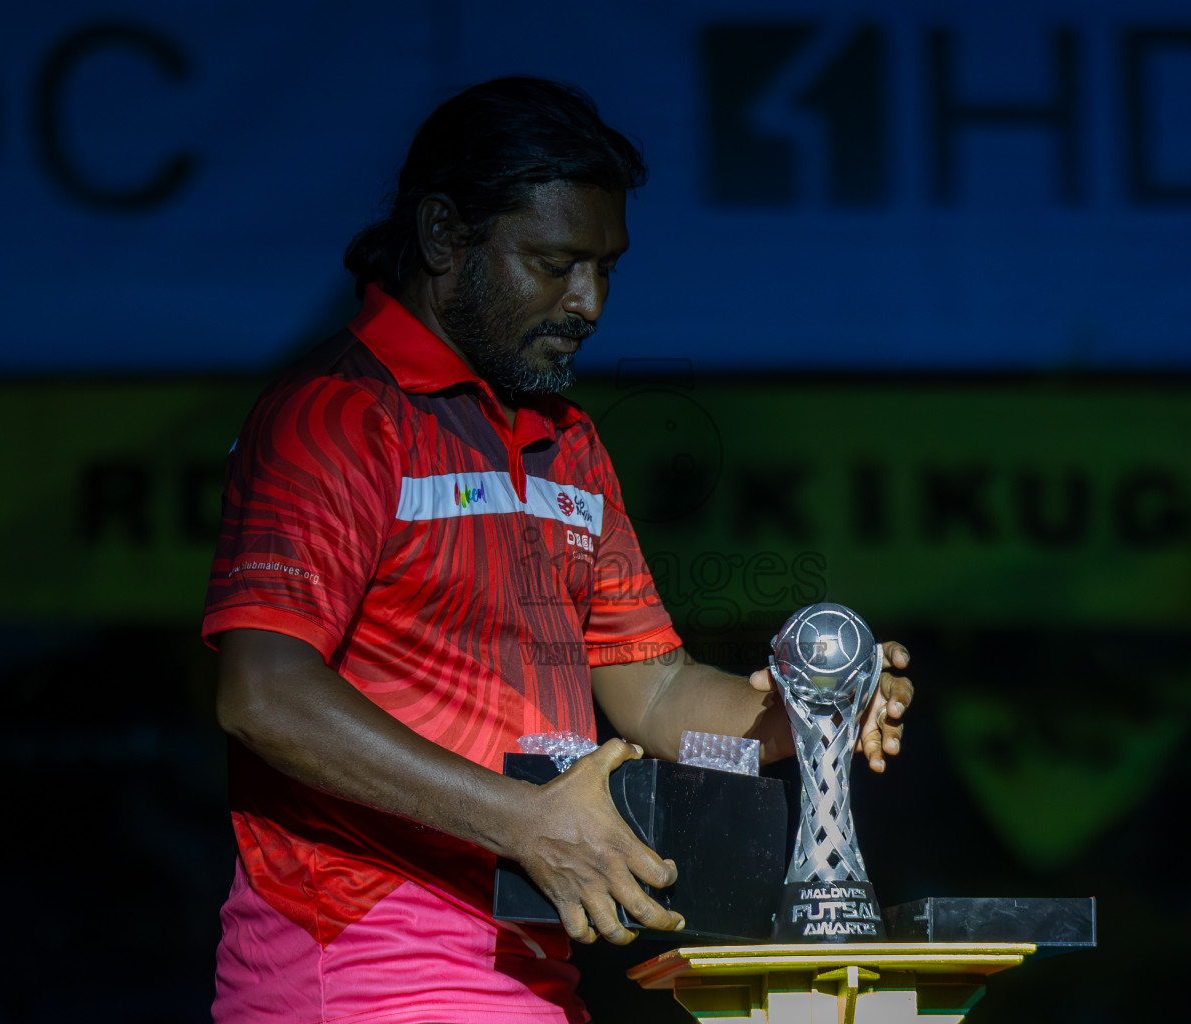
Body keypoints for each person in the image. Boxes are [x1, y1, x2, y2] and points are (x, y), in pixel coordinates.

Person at [201, 77, 913, 1024]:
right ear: (445, 235)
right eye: (555, 262)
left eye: (607, 268)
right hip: (361, 963)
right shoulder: (339, 415)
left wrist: (803, 716)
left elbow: (653, 692)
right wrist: (521, 821)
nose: (589, 302)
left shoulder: (566, 442)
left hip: (533, 965)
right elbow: (263, 694)